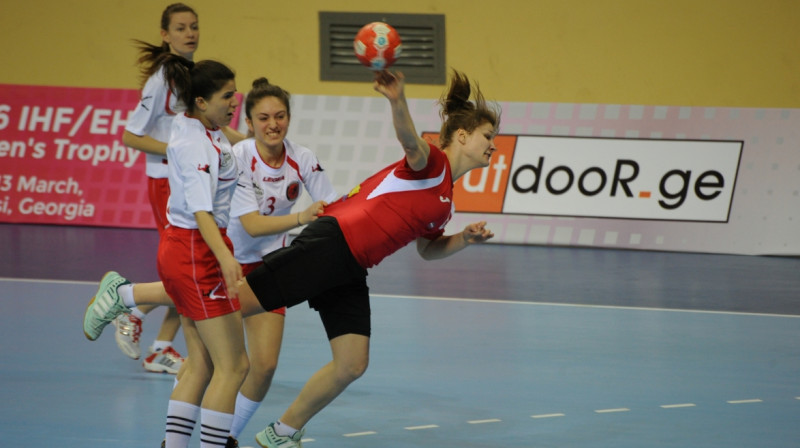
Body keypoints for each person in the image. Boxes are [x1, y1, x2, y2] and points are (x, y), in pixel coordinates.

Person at [236, 69, 501, 448]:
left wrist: (464, 239)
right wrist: (397, 99)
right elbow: (409, 140)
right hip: (331, 243)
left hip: (350, 265)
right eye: (488, 136)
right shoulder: (433, 164)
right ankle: (148, 298)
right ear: (462, 136)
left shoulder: (445, 203)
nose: (493, 146)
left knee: (352, 363)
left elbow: (428, 249)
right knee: (227, 305)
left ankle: (281, 432)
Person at [83, 76, 338, 447]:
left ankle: (224, 435)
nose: (273, 124)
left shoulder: (296, 157)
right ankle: (129, 297)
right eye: (263, 117)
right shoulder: (234, 155)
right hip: (226, 258)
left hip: (267, 264)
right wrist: (302, 218)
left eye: (280, 116)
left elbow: (334, 206)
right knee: (218, 364)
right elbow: (249, 224)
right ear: (248, 123)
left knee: (259, 366)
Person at [87, 57, 245, 448]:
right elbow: (201, 211)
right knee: (233, 367)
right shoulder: (194, 144)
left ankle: (126, 295)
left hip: (187, 248)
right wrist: (226, 258)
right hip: (196, 251)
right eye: (227, 96)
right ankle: (124, 294)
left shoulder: (198, 126)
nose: (234, 102)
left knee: (201, 364)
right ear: (202, 102)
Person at [116, 2, 244, 374]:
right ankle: (132, 306)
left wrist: (251, 144)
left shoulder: (191, 73)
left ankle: (160, 346)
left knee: (193, 270)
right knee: (186, 269)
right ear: (165, 34)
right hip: (168, 183)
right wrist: (179, 153)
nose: (190, 33)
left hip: (193, 179)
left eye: (194, 26)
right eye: (181, 28)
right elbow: (131, 136)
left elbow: (212, 126)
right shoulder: (161, 79)